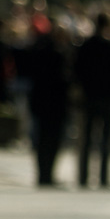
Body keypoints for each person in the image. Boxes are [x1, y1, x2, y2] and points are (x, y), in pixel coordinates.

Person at [74, 12, 110, 189]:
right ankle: (103, 177)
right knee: (105, 139)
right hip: (107, 98)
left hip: (89, 96)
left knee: (86, 138)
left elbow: (77, 69)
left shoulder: (86, 46)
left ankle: (83, 177)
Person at [27, 21, 72, 188]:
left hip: (43, 103)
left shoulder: (40, 50)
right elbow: (64, 80)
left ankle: (43, 174)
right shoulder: (59, 54)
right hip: (55, 105)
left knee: (43, 140)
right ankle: (46, 174)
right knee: (51, 141)